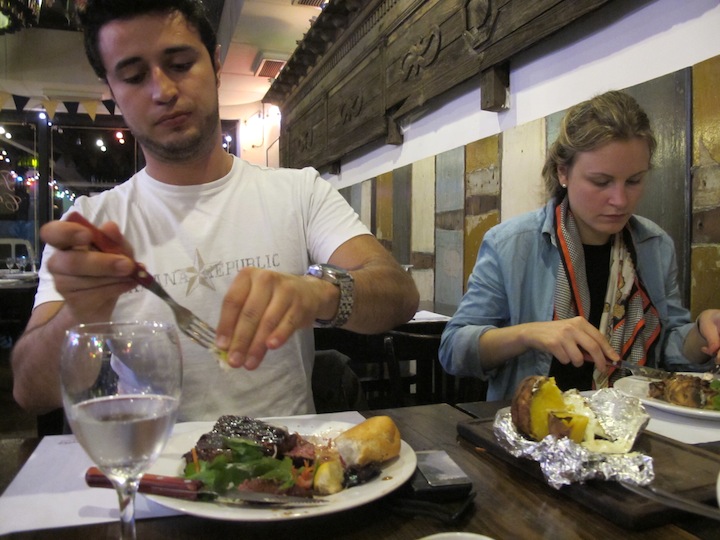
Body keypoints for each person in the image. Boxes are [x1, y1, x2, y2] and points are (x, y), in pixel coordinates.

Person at [11, 0, 419, 421]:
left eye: (180, 64)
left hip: (290, 458)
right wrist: (80, 312)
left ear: (216, 64)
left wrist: (320, 293)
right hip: (152, 457)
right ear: (111, 92)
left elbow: (400, 295)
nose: (163, 91)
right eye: (133, 76)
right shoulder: (92, 224)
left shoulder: (299, 192)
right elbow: (30, 390)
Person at [439, 90, 720, 401]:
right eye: (601, 182)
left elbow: (666, 347)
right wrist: (528, 333)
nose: (620, 200)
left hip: (633, 419)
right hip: (537, 420)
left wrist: (701, 334)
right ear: (563, 172)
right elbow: (453, 350)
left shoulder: (654, 245)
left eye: (634, 181)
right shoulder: (511, 244)